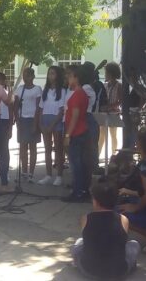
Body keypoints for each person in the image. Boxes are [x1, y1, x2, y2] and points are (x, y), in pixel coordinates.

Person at [71, 180, 139, 279]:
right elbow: (121, 242)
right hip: (118, 272)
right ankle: (129, 266)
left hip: (89, 270)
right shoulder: (123, 219)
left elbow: (88, 240)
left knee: (78, 243)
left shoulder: (85, 218)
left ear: (95, 201)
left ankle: (77, 263)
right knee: (134, 244)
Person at [62, 66, 90, 202]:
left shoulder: (79, 94)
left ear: (77, 78)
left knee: (76, 163)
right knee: (79, 163)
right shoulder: (80, 93)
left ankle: (78, 192)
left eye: (70, 76)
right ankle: (81, 190)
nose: (68, 78)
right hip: (80, 131)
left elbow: (75, 116)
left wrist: (68, 135)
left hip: (77, 132)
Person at [36, 66, 65, 186]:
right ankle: (48, 175)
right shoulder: (45, 90)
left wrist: (53, 124)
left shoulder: (62, 91)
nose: (50, 76)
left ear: (57, 75)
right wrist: (41, 123)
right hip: (45, 120)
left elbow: (61, 110)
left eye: (53, 73)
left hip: (56, 120)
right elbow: (41, 108)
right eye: (49, 73)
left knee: (58, 149)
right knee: (47, 149)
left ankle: (59, 175)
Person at [14, 68, 42, 183]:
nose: (26, 78)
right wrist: (17, 120)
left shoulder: (37, 89)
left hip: (33, 119)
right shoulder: (20, 89)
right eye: (24, 76)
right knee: (23, 147)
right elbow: (15, 105)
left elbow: (38, 107)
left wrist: (35, 124)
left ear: (33, 77)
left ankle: (31, 173)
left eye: (28, 76)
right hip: (22, 119)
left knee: (33, 147)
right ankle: (24, 172)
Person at [99, 62, 122, 156]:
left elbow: (120, 100)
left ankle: (114, 155)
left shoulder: (119, 85)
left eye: (106, 72)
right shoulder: (104, 85)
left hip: (114, 113)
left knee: (113, 135)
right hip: (104, 113)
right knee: (101, 136)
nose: (105, 74)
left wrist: (110, 106)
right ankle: (97, 155)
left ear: (111, 73)